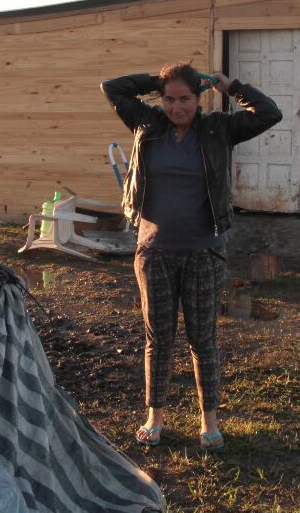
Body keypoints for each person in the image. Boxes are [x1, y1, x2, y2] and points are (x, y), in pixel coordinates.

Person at [101, 63, 281, 451]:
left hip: (205, 253)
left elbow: (269, 113)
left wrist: (230, 86)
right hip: (154, 253)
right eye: (169, 99)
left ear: (198, 98)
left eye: (184, 99)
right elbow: (112, 85)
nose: (176, 107)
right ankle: (155, 417)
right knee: (158, 339)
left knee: (204, 340)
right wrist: (158, 80)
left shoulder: (218, 129)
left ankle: (209, 422)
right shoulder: (147, 124)